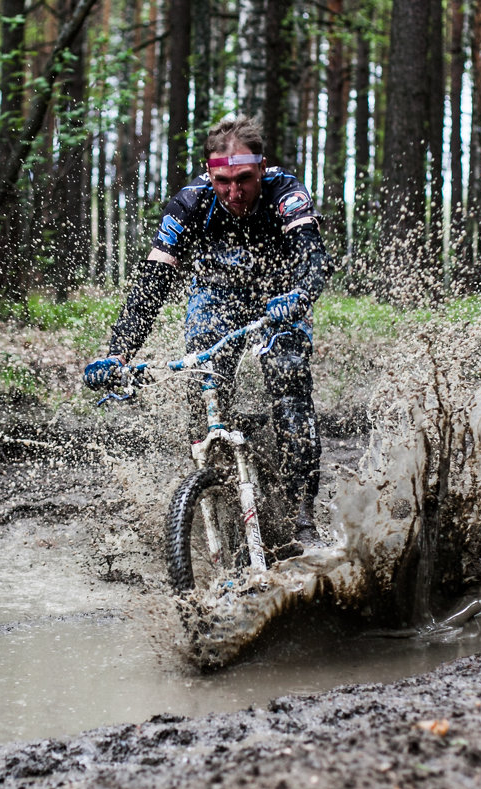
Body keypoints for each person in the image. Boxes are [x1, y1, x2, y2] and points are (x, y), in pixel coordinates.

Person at [83, 115, 333, 554]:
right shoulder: (190, 202)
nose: (234, 192)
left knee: (290, 386)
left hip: (279, 299)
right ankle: (217, 500)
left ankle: (302, 518)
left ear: (261, 168)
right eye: (223, 180)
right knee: (204, 392)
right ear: (209, 172)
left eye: (244, 179)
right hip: (215, 298)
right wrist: (118, 353)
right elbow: (151, 287)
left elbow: (314, 257)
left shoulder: (285, 193)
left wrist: (298, 295)